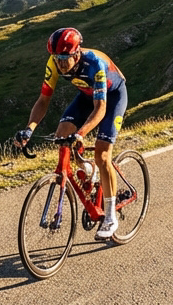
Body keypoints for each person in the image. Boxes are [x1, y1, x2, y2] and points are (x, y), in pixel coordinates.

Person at [14, 27, 129, 240]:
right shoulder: (54, 63)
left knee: (102, 154)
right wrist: (29, 129)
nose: (61, 64)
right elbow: (43, 100)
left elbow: (101, 108)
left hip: (111, 98)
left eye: (65, 59)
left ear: (77, 53)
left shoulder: (94, 63)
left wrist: (82, 133)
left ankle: (110, 215)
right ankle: (87, 167)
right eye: (56, 58)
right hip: (86, 95)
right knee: (62, 134)